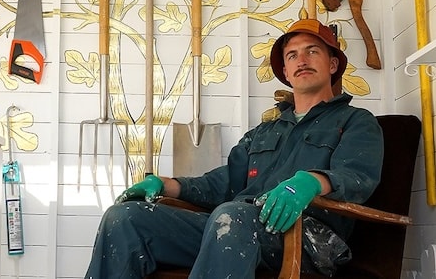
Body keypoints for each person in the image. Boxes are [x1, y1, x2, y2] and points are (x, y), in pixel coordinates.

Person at [84, 18, 384, 278]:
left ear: (332, 64)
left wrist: (311, 182)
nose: (301, 60)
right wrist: (164, 184)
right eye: (292, 55)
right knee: (124, 218)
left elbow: (357, 176)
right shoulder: (265, 131)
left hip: (307, 237)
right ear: (286, 71)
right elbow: (223, 183)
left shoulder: (356, 121)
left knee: (232, 215)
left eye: (312, 51)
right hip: (236, 225)